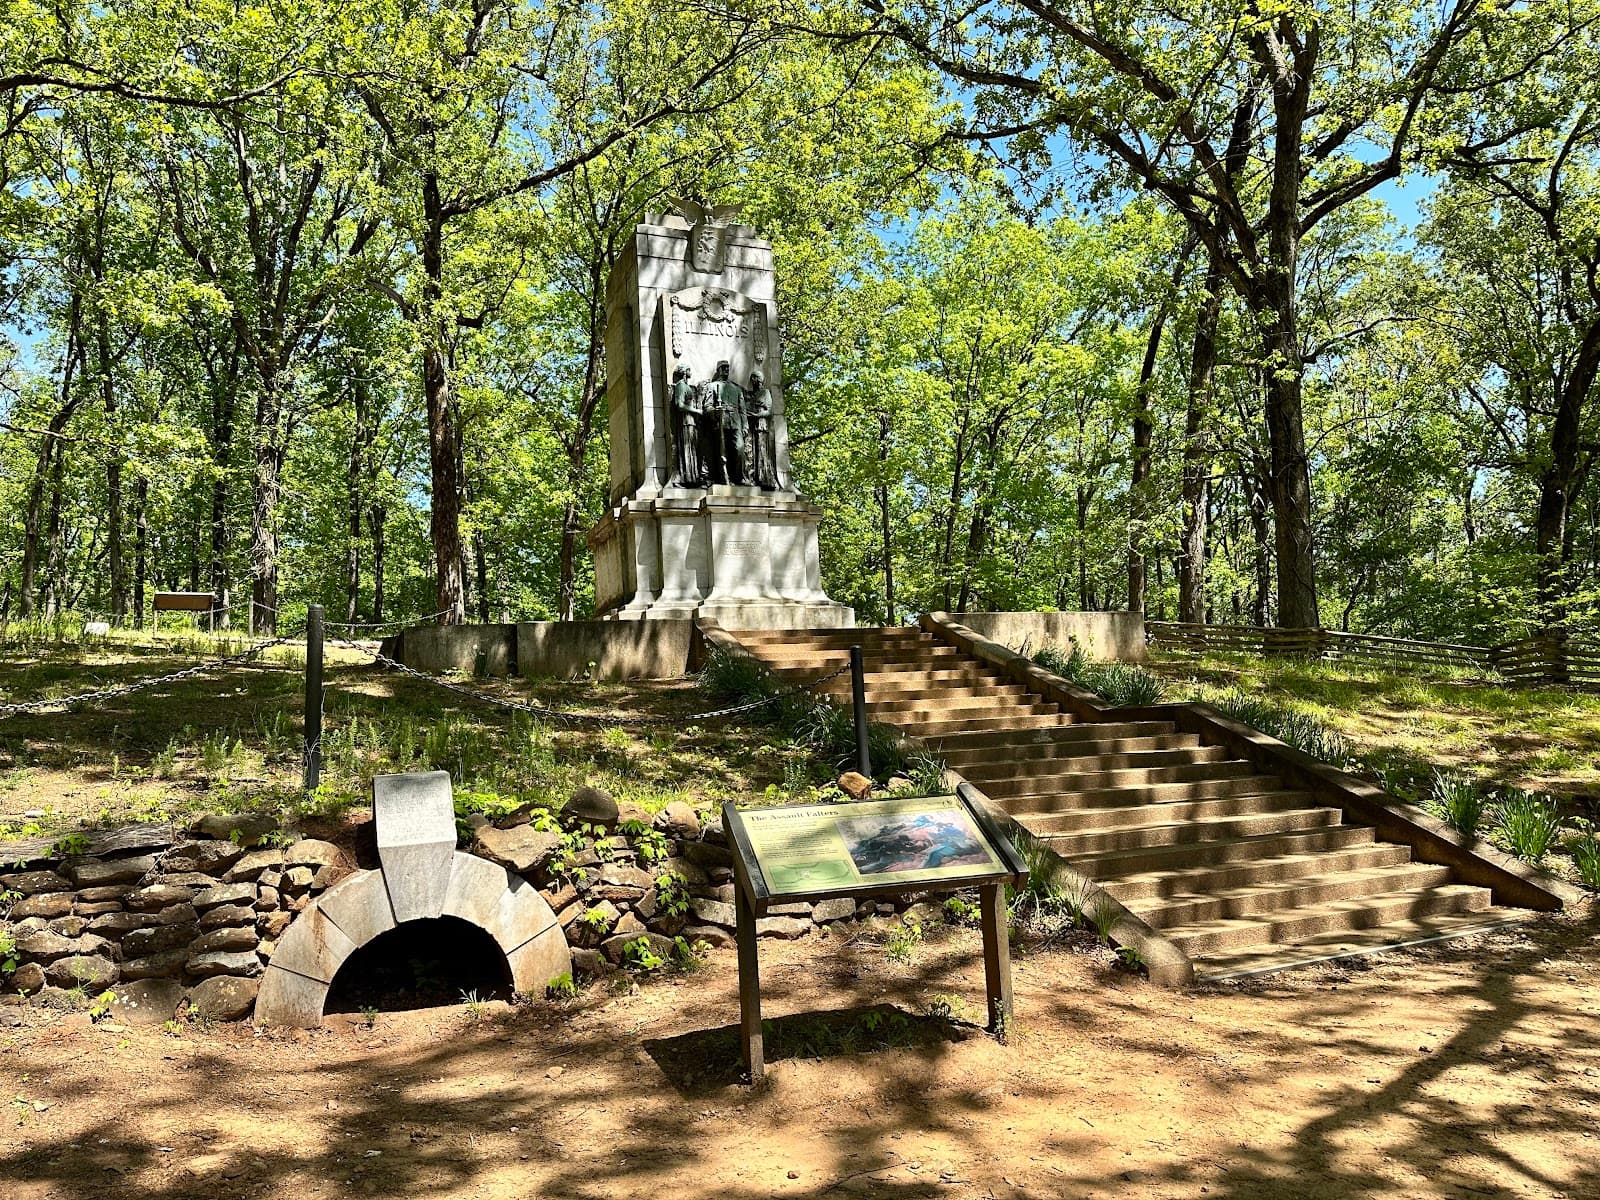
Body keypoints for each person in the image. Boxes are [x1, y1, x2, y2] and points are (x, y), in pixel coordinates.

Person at [668, 364, 704, 487]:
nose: (691, 372)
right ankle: (686, 477)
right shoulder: (681, 386)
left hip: (691, 421)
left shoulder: (686, 386)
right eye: (689, 370)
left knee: (692, 449)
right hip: (686, 421)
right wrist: (696, 411)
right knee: (687, 448)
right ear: (684, 372)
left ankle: (692, 477)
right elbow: (679, 404)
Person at [745, 370, 778, 489]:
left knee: (762, 450)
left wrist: (757, 415)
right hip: (752, 425)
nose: (752, 380)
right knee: (753, 451)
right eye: (751, 378)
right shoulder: (751, 394)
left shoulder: (765, 392)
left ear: (759, 379)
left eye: (754, 378)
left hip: (761, 424)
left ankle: (765, 478)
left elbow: (769, 411)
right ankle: (754, 477)